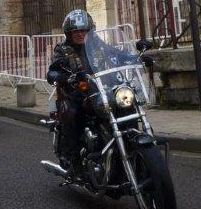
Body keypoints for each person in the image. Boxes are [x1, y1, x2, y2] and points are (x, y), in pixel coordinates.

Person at [46, 9, 154, 174]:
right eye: (76, 31)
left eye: (83, 30)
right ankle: (74, 161)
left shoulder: (97, 45)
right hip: (75, 95)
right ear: (69, 33)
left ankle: (129, 147)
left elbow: (117, 54)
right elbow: (52, 72)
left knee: (127, 105)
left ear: (89, 31)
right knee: (73, 113)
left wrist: (136, 58)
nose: (80, 34)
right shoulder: (63, 49)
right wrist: (64, 78)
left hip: (101, 90)